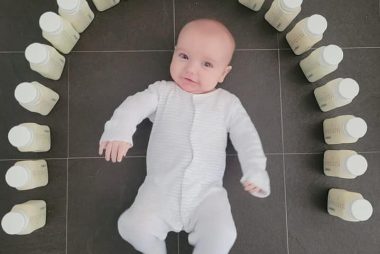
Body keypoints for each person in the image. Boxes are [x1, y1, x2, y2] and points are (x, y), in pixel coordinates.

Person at [98, 18, 270, 254]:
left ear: (223, 73)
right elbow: (134, 107)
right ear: (174, 53)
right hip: (159, 190)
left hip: (207, 194)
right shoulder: (162, 92)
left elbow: (247, 137)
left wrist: (256, 169)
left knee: (223, 234)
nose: (191, 69)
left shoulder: (227, 103)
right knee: (132, 226)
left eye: (207, 64)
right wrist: (119, 130)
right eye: (184, 57)